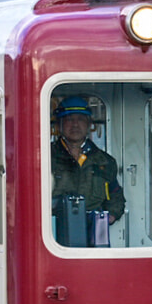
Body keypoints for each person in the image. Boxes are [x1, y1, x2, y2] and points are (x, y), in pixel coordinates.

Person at [51, 96, 125, 225]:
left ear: (89, 124)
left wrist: (110, 216)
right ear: (60, 124)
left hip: (93, 235)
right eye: (69, 119)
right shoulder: (45, 157)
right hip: (54, 233)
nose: (75, 124)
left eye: (80, 119)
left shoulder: (105, 162)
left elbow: (116, 197)